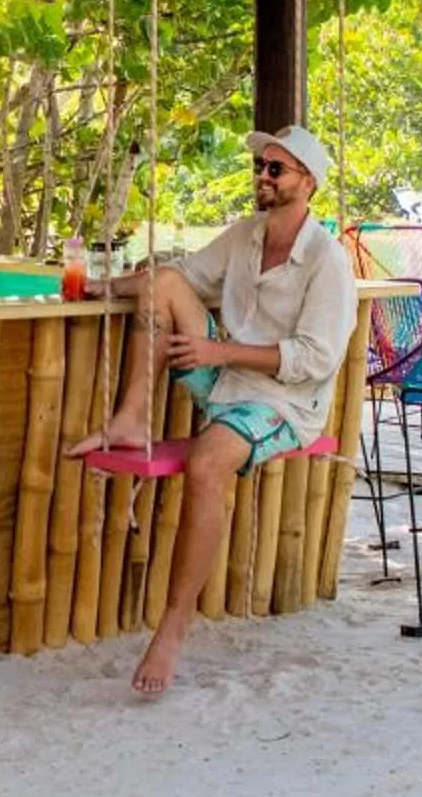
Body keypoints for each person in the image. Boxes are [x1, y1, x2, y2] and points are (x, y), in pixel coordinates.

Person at [63, 122, 356, 695]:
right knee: (166, 281)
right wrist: (100, 287)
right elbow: (183, 280)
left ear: (308, 183)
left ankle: (172, 630)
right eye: (260, 167)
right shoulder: (246, 234)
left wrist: (219, 349)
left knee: (205, 463)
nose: (263, 177)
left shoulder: (328, 261)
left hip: (284, 401)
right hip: (226, 379)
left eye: (276, 169)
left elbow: (315, 359)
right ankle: (131, 417)